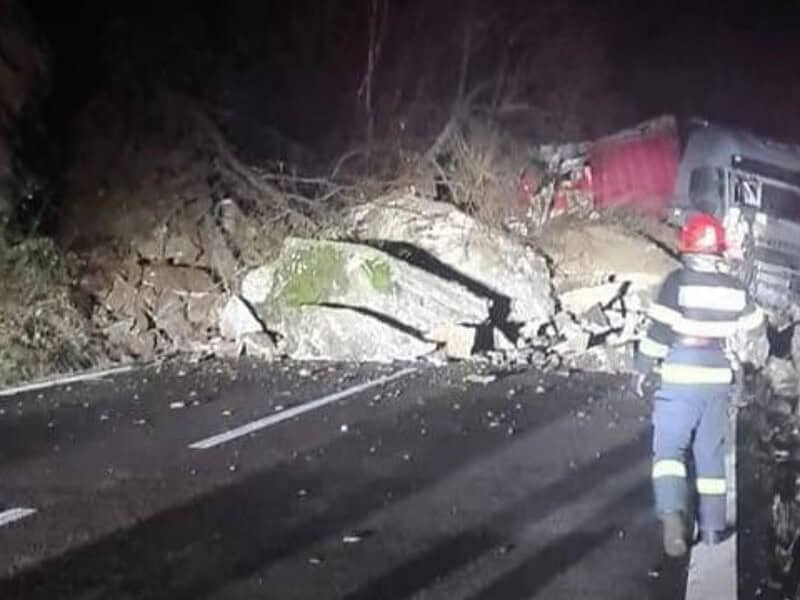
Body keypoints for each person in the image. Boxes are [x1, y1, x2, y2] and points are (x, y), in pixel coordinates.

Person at [633, 212, 768, 558]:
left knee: (669, 451)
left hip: (682, 371)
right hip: (718, 374)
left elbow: (659, 332)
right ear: (719, 251)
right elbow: (755, 326)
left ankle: (673, 516)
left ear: (687, 249)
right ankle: (711, 527)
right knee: (710, 455)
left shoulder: (677, 282)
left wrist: (643, 367)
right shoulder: (735, 289)